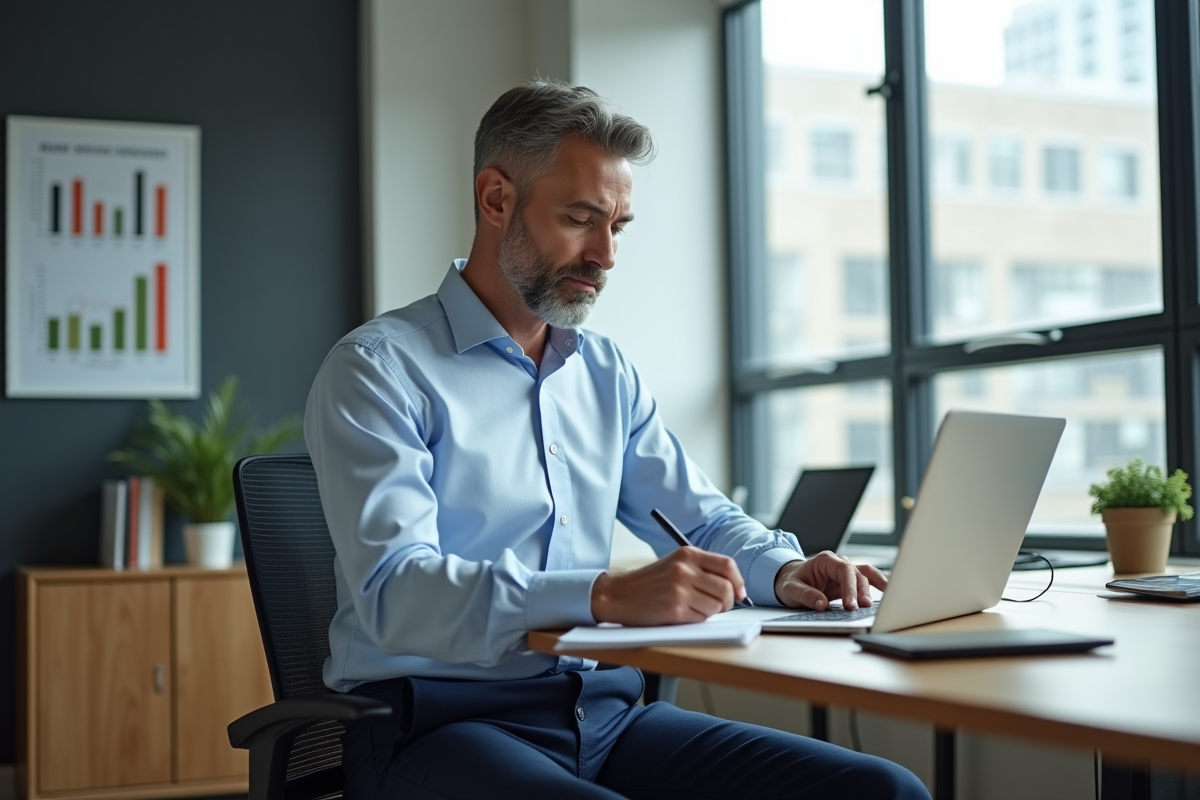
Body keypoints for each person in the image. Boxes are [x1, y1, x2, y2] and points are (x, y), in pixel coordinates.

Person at [305, 79, 930, 800]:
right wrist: (603, 595)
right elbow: (396, 592)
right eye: (580, 219)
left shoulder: (605, 373)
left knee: (883, 791)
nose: (604, 255)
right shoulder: (378, 370)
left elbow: (700, 520)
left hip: (598, 714)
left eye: (618, 227)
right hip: (437, 724)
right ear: (496, 198)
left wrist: (784, 570)